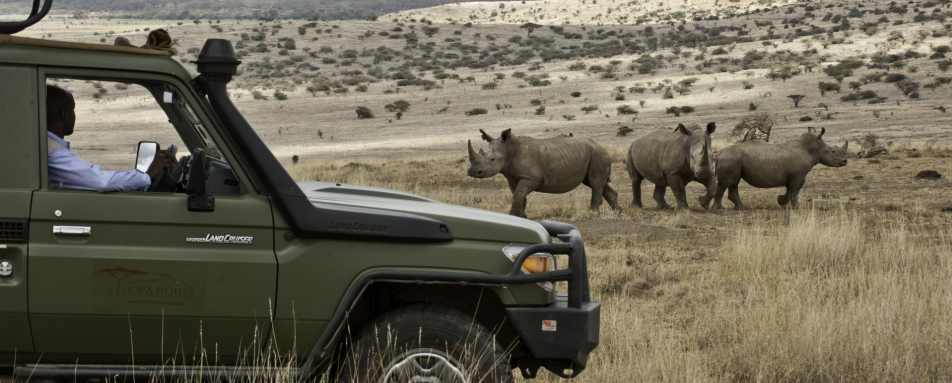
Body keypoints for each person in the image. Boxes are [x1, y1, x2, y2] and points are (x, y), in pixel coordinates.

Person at [46, 85, 171, 192]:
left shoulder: (48, 145)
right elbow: (100, 181)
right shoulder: (52, 151)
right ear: (64, 114)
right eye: (72, 110)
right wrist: (148, 175)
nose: (74, 116)